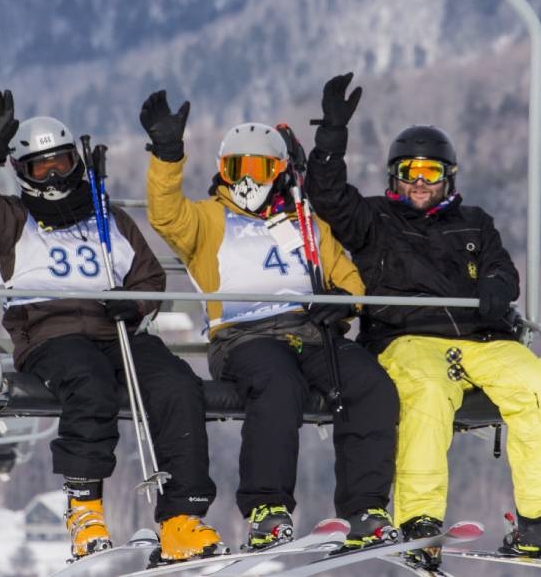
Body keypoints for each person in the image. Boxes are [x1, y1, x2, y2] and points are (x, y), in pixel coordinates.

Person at [303, 74, 541, 568]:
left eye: (432, 172)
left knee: (539, 387)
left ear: (449, 178)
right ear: (393, 177)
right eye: (410, 171)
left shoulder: (474, 223)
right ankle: (420, 520)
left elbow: (502, 267)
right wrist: (331, 137)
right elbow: (326, 196)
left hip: (482, 337)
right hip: (408, 339)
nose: (420, 182)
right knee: (425, 395)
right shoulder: (372, 219)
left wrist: (496, 291)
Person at [138, 89, 401, 552]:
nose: (247, 180)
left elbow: (349, 277)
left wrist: (342, 303)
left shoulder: (305, 221)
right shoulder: (208, 220)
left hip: (313, 333)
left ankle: (365, 509)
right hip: (244, 337)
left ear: (279, 173)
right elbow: (165, 216)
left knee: (371, 385)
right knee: (279, 386)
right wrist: (167, 156)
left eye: (260, 169)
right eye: (236, 169)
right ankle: (267, 507)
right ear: (222, 171)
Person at [0, 89, 224, 563]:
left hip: (119, 332)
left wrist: (134, 305)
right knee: (88, 385)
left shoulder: (107, 216)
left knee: (177, 385)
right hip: (51, 336)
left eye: (61, 163)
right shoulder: (12, 222)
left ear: (77, 162)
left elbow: (147, 276)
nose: (53, 175)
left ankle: (181, 519)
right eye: (39, 168)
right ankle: (85, 509)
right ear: (21, 174)